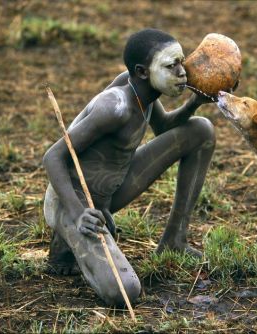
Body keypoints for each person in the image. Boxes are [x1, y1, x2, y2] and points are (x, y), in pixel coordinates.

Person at [43, 28, 216, 306]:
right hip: (74, 201)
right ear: (143, 71)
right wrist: (78, 215)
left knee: (201, 130)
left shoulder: (143, 91)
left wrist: (196, 102)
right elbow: (52, 157)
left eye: (181, 62)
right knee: (124, 291)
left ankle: (175, 239)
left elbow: (164, 128)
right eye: (171, 66)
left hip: (113, 188)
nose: (183, 72)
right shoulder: (114, 107)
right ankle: (68, 239)